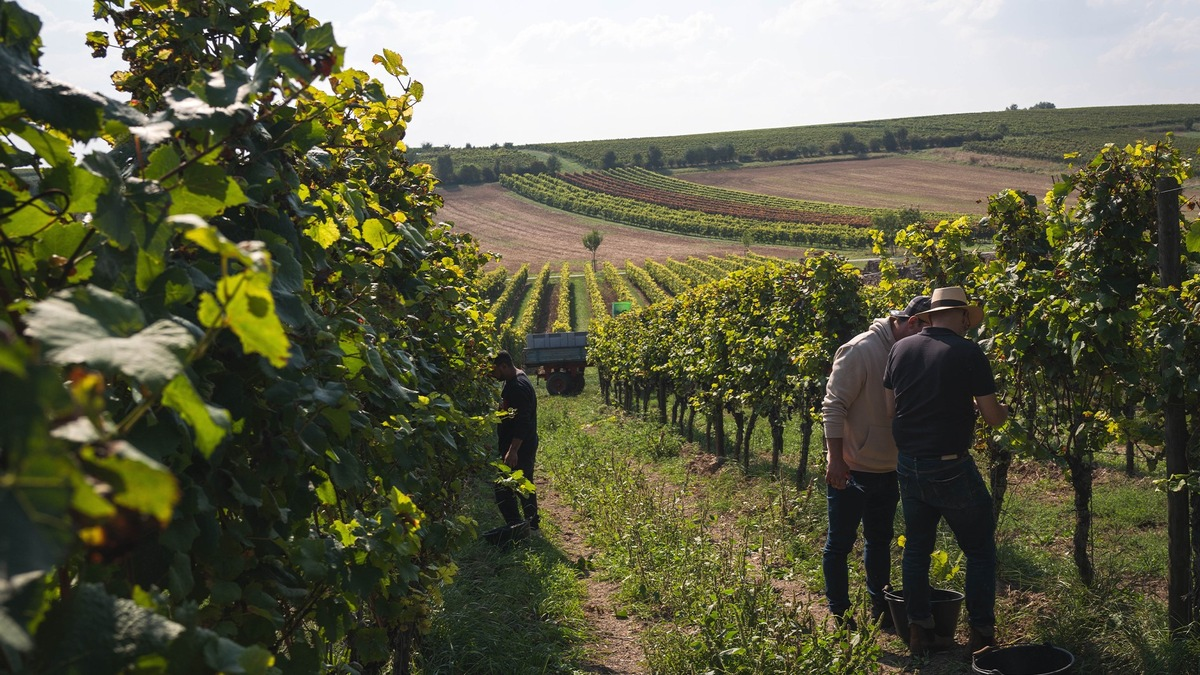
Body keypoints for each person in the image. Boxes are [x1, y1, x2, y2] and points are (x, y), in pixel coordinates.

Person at [882, 286, 1008, 656]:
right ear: (963, 316)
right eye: (969, 317)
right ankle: (982, 634)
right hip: (950, 465)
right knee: (980, 548)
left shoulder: (899, 349)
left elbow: (892, 410)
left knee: (917, 549)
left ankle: (919, 629)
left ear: (929, 316)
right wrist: (1001, 411)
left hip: (908, 463)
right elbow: (993, 417)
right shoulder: (968, 352)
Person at [821, 294, 930, 631]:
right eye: (927, 331)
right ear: (912, 324)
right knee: (839, 543)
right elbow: (833, 406)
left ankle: (880, 609)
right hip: (852, 469)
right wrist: (835, 460)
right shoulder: (860, 350)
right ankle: (840, 614)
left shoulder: (910, 352)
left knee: (879, 540)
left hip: (889, 467)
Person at [490, 350, 540, 530]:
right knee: (523, 485)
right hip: (521, 445)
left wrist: (513, 450)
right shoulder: (516, 380)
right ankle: (530, 525)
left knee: (505, 488)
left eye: (494, 371)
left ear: (503, 366)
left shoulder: (517, 387)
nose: (492, 375)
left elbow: (522, 421)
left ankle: (519, 526)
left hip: (520, 447)